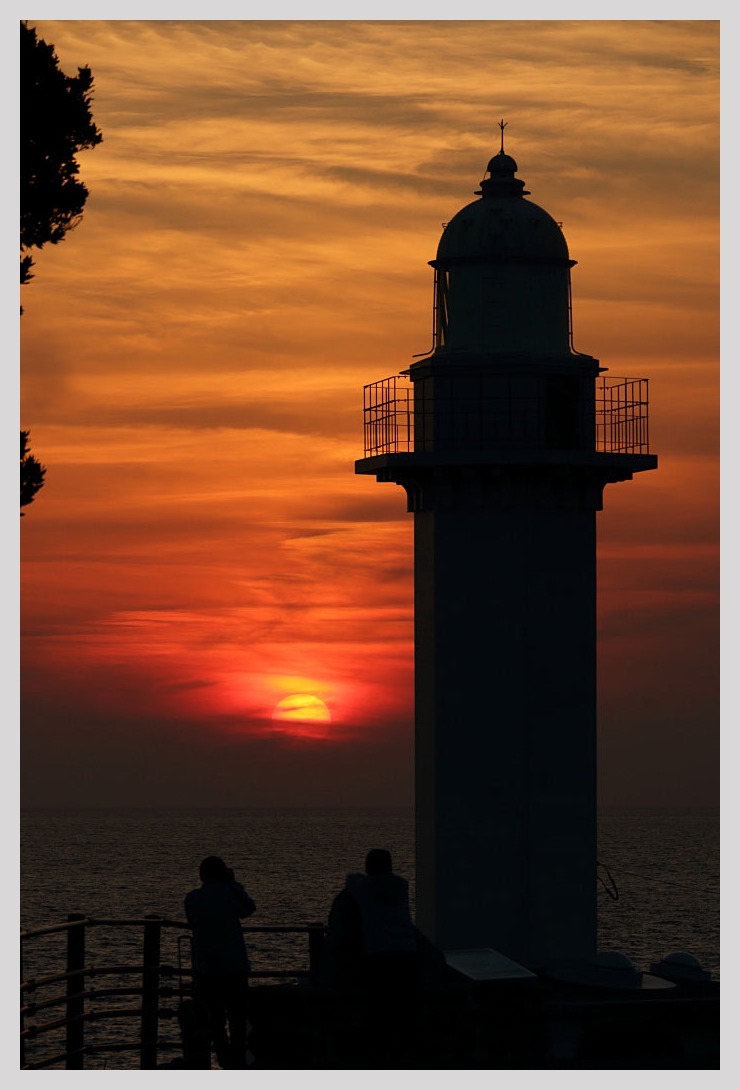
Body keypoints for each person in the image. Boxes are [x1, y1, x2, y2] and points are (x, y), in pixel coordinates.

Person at [184, 856, 256, 1069]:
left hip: (206, 968)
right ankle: (237, 1061)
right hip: (234, 967)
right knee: (238, 1018)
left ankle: (223, 1058)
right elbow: (249, 909)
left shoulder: (193, 898)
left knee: (214, 1020)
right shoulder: (230, 894)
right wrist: (233, 885)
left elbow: (192, 919)